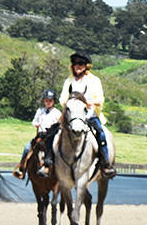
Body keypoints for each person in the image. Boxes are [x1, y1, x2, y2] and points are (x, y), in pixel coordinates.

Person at [43, 51, 116, 179]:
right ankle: (48, 163)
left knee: (101, 134)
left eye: (81, 63)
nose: (78, 66)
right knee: (51, 133)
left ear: (86, 66)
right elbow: (62, 99)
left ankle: (106, 164)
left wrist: (88, 103)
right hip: (71, 116)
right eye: (75, 63)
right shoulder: (69, 80)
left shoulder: (94, 80)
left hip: (89, 115)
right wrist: (71, 103)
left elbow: (100, 100)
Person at [13, 89, 61, 179]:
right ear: (44, 101)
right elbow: (34, 121)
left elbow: (60, 125)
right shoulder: (40, 111)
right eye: (46, 100)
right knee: (27, 147)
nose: (48, 102)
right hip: (40, 135)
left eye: (50, 100)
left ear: (53, 101)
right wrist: (36, 124)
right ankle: (22, 169)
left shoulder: (57, 113)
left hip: (51, 137)